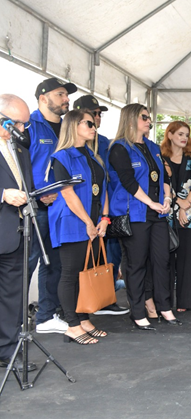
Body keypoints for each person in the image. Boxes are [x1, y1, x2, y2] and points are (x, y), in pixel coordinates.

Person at [108, 104, 180, 330]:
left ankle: (164, 307)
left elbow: (164, 178)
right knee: (136, 264)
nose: (149, 121)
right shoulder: (119, 148)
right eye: (144, 117)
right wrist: (152, 203)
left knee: (162, 260)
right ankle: (138, 312)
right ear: (131, 120)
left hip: (157, 214)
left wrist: (167, 200)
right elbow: (128, 182)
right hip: (134, 214)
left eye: (149, 118)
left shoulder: (153, 147)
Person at [48, 109, 109, 344]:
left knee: (85, 274)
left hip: (94, 223)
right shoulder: (62, 157)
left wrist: (104, 219)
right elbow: (68, 194)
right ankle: (72, 325)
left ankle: (83, 318)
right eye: (89, 124)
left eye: (94, 124)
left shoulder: (94, 157)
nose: (94, 128)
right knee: (70, 274)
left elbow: (103, 189)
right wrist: (88, 222)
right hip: (73, 222)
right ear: (74, 125)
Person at [27, 78, 77, 335]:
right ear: (43, 97)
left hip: (63, 209)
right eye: (60, 94)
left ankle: (46, 316)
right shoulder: (29, 126)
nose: (66, 99)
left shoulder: (69, 128)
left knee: (54, 265)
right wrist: (36, 195)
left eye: (66, 95)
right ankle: (11, 324)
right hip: (34, 209)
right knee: (26, 264)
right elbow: (20, 165)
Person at [72, 94, 128, 315]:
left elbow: (113, 176)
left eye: (99, 114)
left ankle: (106, 298)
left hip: (107, 208)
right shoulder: (67, 144)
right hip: (79, 208)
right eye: (92, 114)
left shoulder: (105, 142)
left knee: (111, 255)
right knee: (77, 261)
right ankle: (76, 306)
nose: (97, 118)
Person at [0, 94, 34, 365]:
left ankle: (8, 352)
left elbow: (25, 187)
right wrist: (2, 194)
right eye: (19, 124)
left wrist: (38, 195)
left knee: (12, 297)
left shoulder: (20, 149)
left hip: (15, 233)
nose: (23, 130)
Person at [161, 121, 191, 312]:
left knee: (188, 258)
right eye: (180, 134)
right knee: (165, 260)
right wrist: (179, 204)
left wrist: (186, 206)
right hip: (166, 215)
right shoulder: (160, 159)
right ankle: (165, 302)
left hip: (189, 215)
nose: (184, 138)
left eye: (186, 134)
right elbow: (160, 186)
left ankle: (186, 301)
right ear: (169, 135)